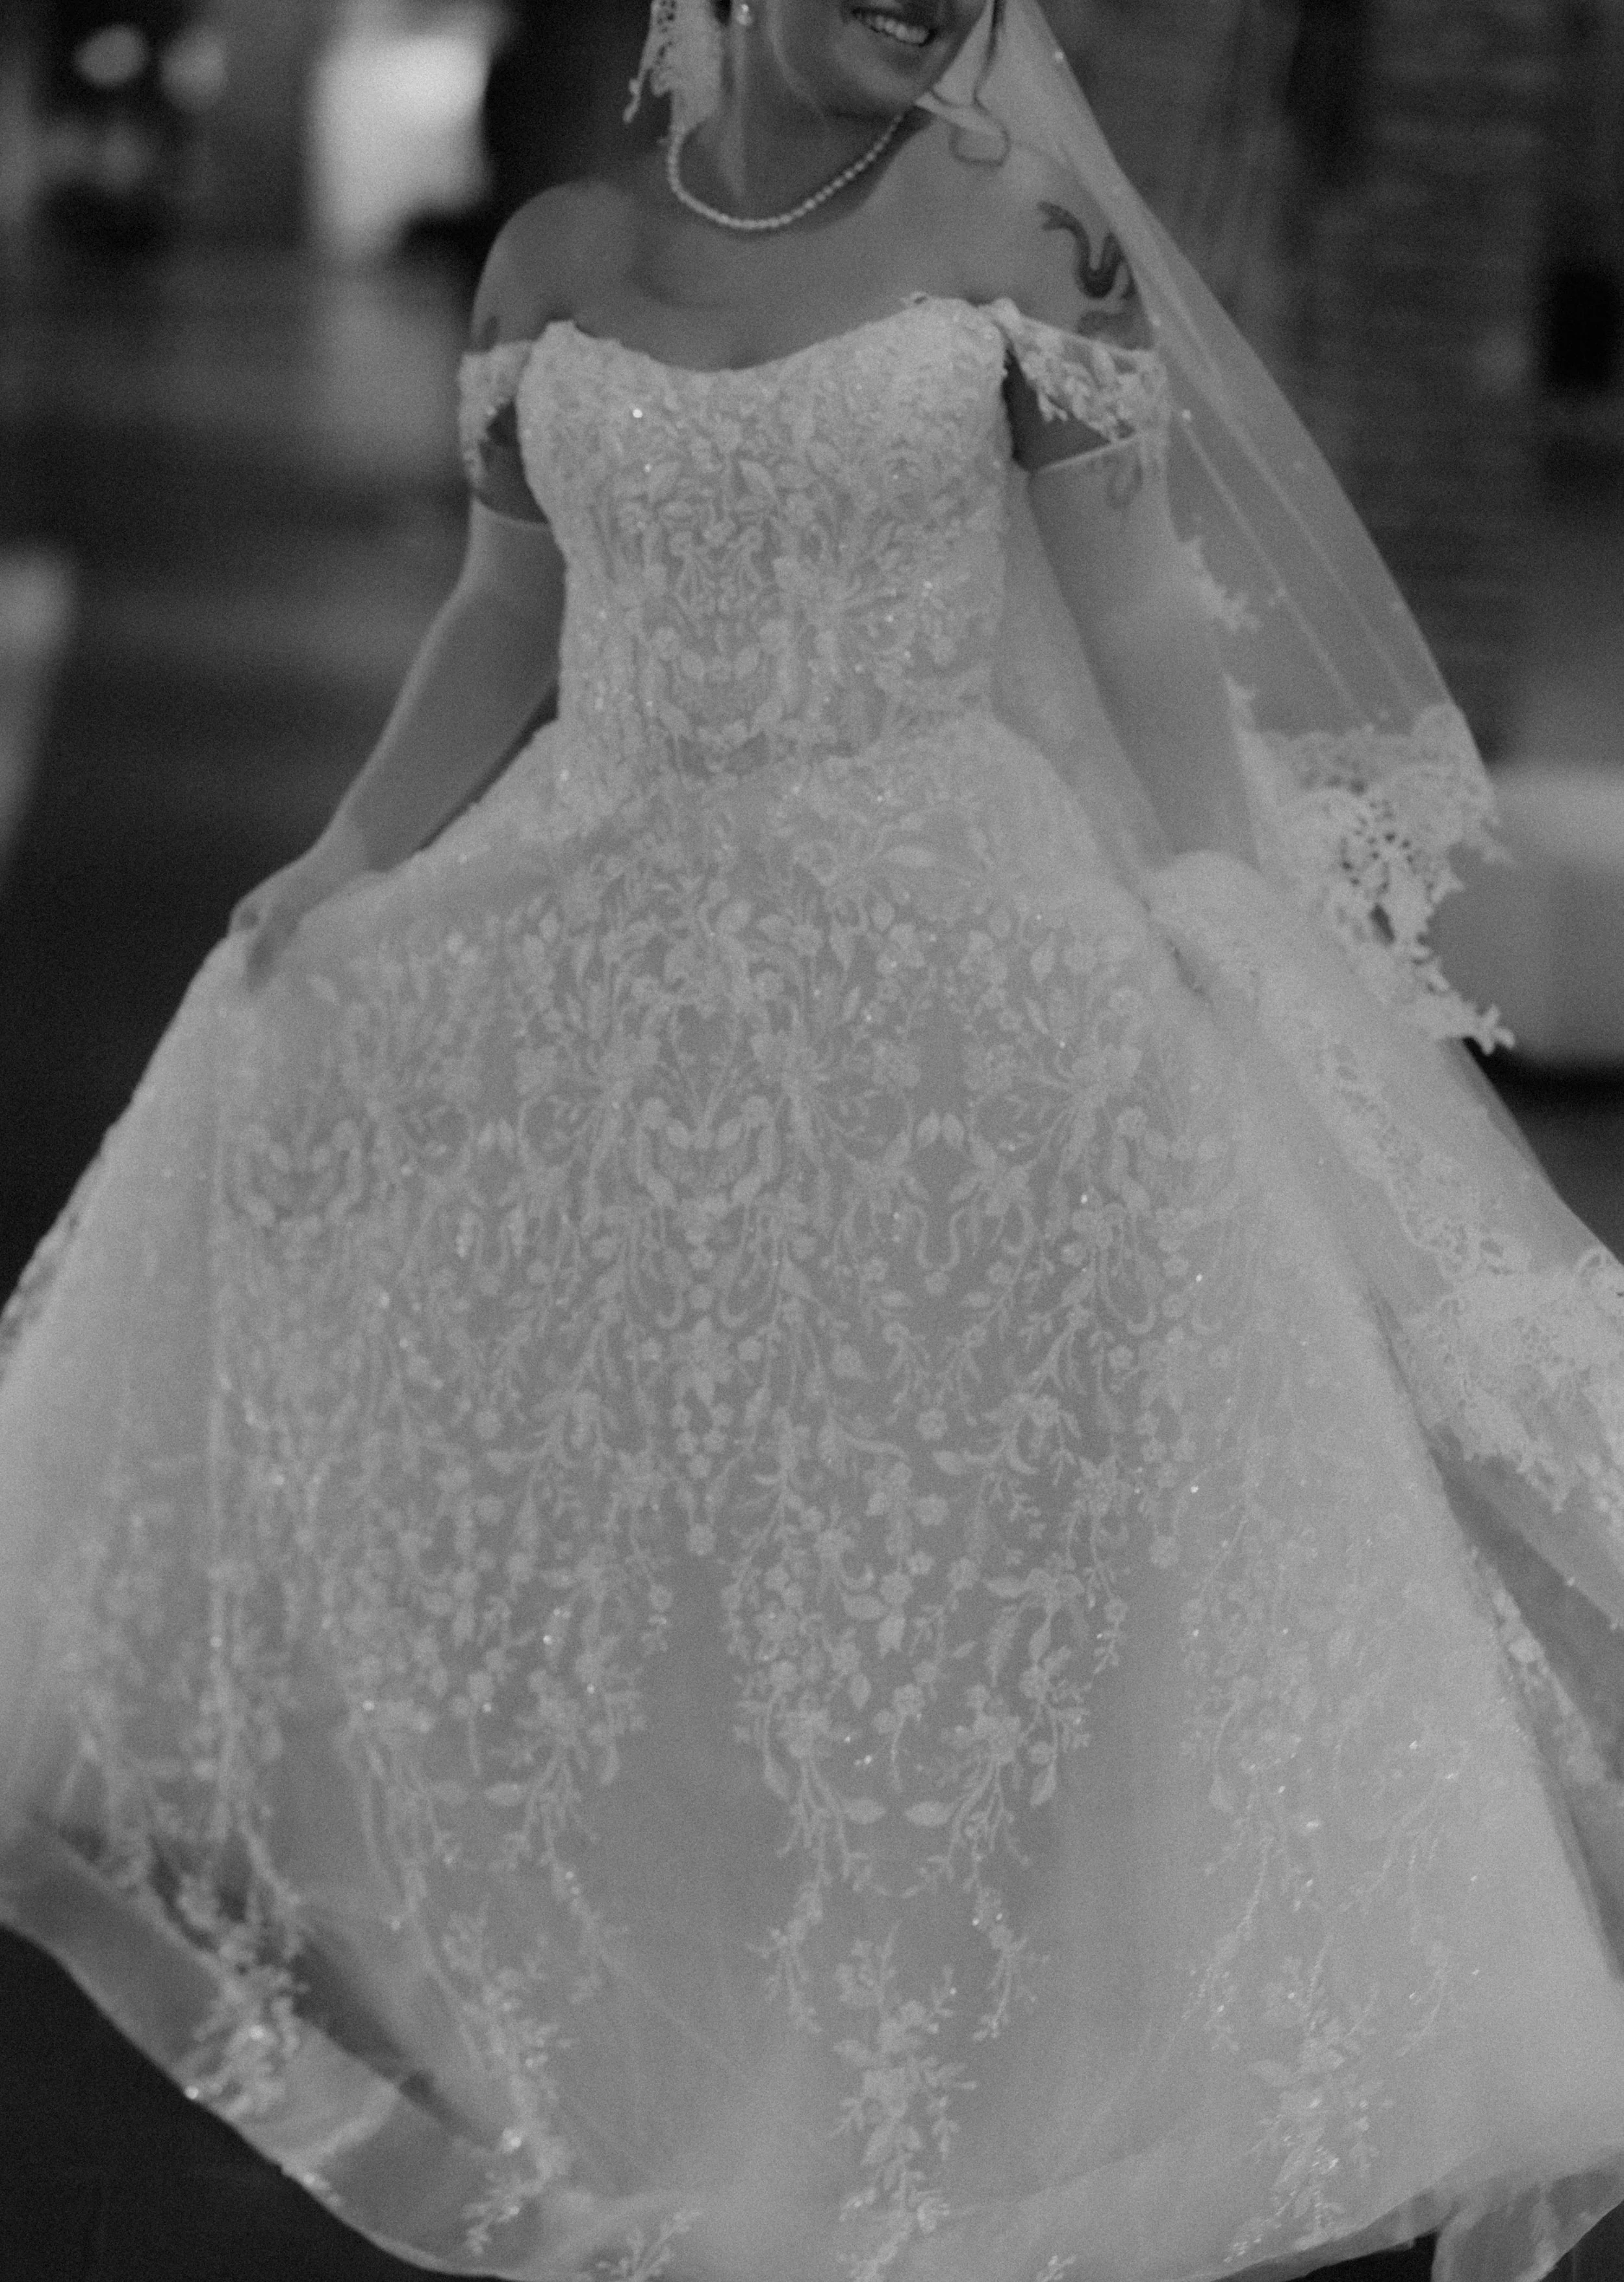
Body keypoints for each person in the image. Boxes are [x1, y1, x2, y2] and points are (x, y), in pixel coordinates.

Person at [5, 2, 1624, 2277]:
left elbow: (1140, 605)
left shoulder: (1023, 235)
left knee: (930, 1571)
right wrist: (346, 861)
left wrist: (1210, 909)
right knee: (651, 1562)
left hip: (948, 981)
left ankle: (951, 2139)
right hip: (609, 949)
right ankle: (676, 2078)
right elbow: (504, 609)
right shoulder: (554, 261)